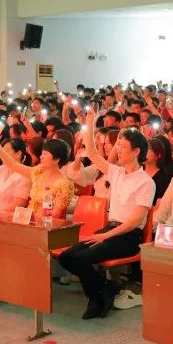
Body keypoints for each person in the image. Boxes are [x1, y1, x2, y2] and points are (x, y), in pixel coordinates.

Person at [57, 109, 155, 319]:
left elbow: (135, 221)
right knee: (66, 257)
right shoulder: (116, 172)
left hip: (128, 236)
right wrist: (91, 123)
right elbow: (93, 154)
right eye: (117, 146)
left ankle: (95, 299)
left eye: (122, 147)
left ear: (136, 151)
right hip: (110, 230)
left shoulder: (146, 182)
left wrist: (106, 235)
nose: (118, 150)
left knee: (81, 259)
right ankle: (105, 287)